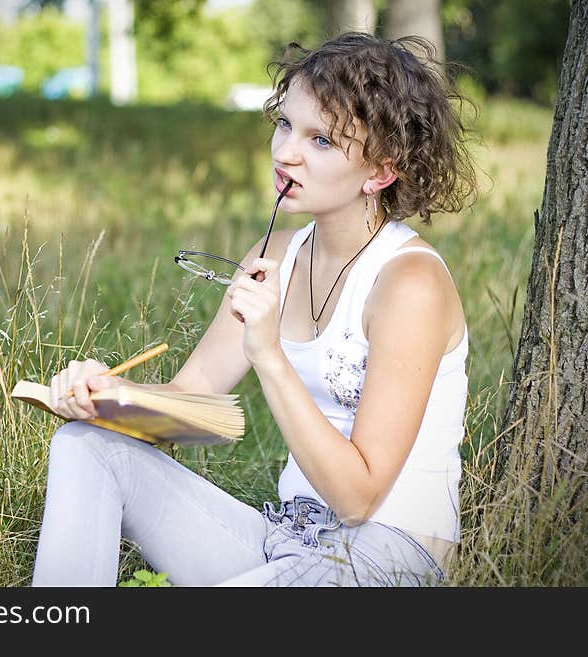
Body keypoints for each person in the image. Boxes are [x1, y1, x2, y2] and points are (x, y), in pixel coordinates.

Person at [31, 31, 476, 587]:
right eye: (286, 124)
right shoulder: (276, 256)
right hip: (288, 538)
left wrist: (268, 355)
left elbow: (360, 499)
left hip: (388, 555)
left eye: (321, 141)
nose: (285, 152)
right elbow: (190, 400)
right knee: (86, 446)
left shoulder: (409, 282)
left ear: (380, 172)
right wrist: (106, 398)